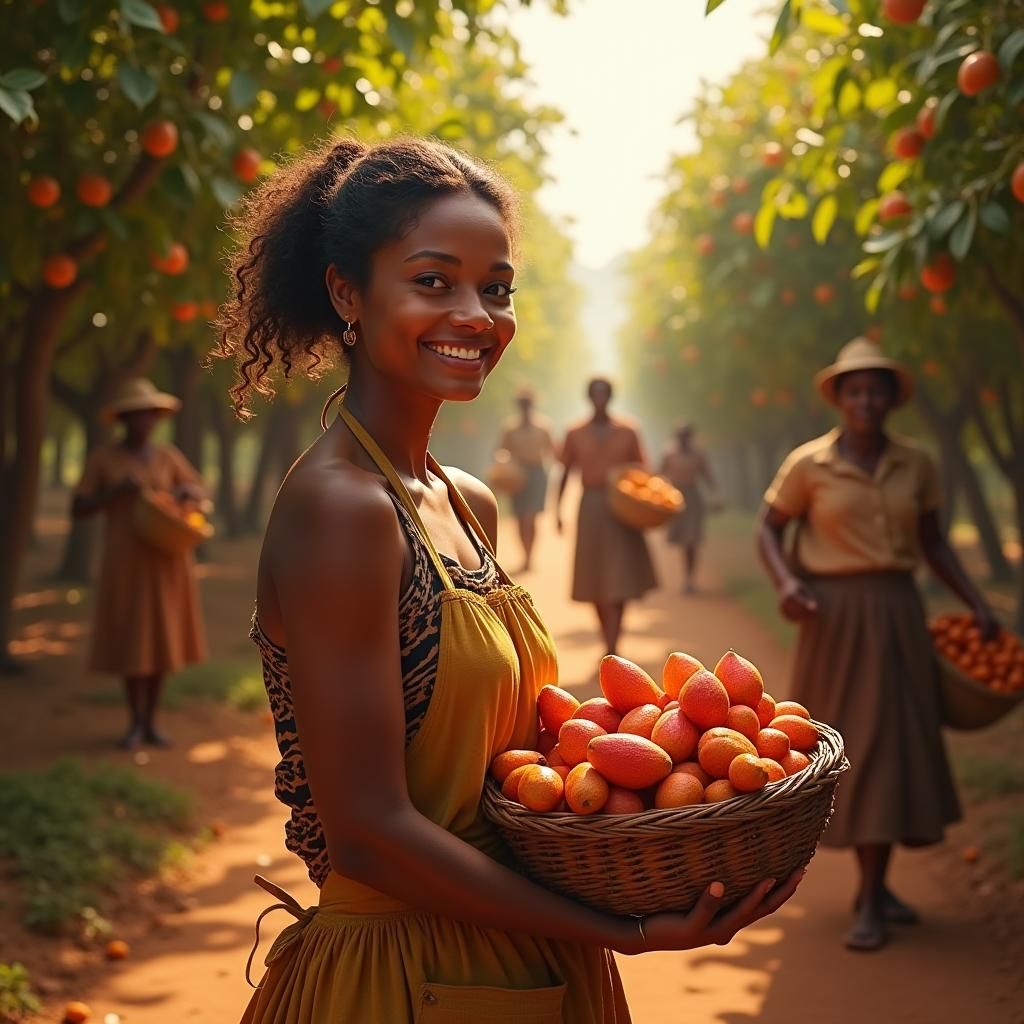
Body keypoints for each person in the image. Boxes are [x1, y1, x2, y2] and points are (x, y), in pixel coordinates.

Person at [211, 136, 802, 1024]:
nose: (477, 316)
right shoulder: (344, 510)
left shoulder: (463, 500)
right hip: (406, 972)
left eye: (496, 288)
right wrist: (625, 931)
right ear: (347, 294)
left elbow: (502, 772)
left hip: (527, 956)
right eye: (434, 281)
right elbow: (368, 837)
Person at [757, 337, 999, 953]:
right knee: (846, 744)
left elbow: (934, 543)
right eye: (855, 390)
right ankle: (870, 892)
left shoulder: (916, 463)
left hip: (897, 612)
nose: (866, 400)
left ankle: (873, 892)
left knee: (895, 744)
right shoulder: (809, 464)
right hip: (833, 617)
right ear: (839, 398)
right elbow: (769, 529)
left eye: (876, 390)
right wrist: (786, 584)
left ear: (891, 399)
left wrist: (975, 600)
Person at [72, 377, 209, 749]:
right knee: (133, 638)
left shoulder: (167, 456)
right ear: (123, 419)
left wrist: (185, 493)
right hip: (126, 560)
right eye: (136, 415)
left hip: (165, 557)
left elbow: (198, 490)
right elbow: (79, 507)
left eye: (149, 414)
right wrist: (115, 492)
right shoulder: (104, 459)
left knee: (161, 638)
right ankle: (134, 720)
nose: (143, 421)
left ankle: (151, 722)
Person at [556, 378, 657, 656]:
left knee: (620, 576)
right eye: (595, 394)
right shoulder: (575, 432)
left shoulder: (628, 430)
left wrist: (644, 501)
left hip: (621, 506)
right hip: (590, 507)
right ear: (589, 398)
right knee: (594, 576)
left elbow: (641, 470)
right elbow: (565, 472)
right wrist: (557, 510)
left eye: (604, 394)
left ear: (610, 397)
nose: (600, 399)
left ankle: (613, 644)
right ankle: (607, 638)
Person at [495, 387, 555, 572]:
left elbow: (553, 451)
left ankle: (530, 556)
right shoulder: (510, 428)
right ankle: (524, 554)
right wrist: (503, 465)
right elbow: (501, 450)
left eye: (528, 404)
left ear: (533, 405)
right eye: (523, 404)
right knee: (520, 517)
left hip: (537, 474)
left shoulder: (544, 427)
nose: (525, 407)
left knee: (531, 516)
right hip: (517, 476)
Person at [660, 422, 718, 594]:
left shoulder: (698, 454)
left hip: (692, 499)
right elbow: (660, 475)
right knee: (682, 541)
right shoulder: (669, 454)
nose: (683, 440)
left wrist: (716, 496)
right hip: (675, 498)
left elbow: (707, 476)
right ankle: (684, 577)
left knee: (691, 540)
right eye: (681, 436)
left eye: (686, 436)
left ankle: (690, 579)